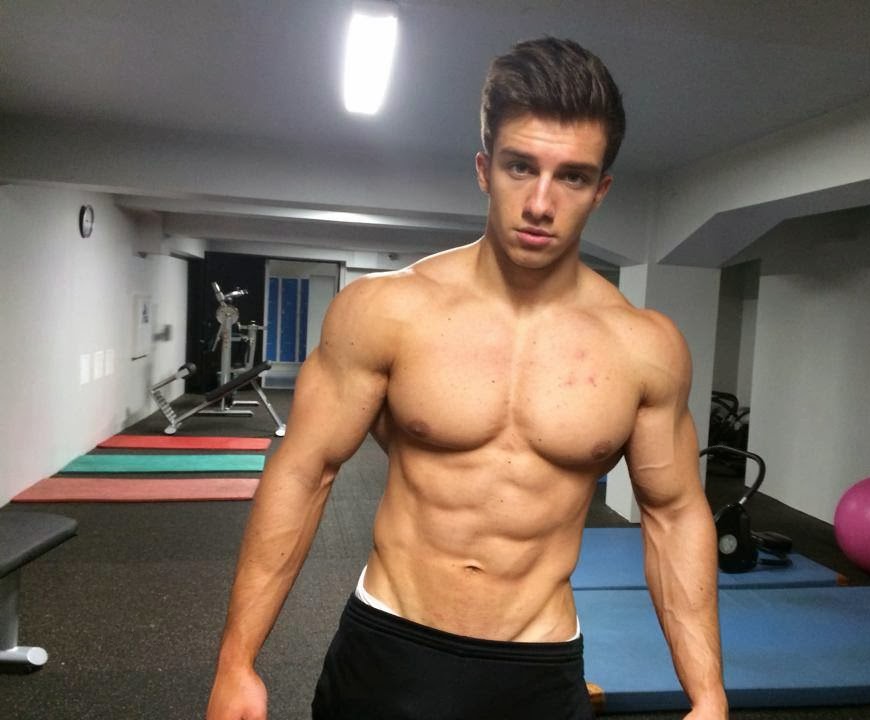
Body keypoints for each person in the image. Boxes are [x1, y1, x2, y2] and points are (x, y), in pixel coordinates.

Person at [206, 37, 727, 720]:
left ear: (601, 190)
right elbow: (304, 472)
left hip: (539, 666)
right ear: (485, 169)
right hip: (391, 644)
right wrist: (236, 661)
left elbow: (674, 513)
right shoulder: (386, 311)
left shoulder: (644, 347)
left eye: (572, 177)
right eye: (520, 166)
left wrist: (708, 693)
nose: (540, 202)